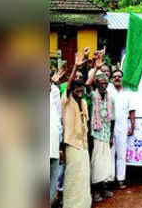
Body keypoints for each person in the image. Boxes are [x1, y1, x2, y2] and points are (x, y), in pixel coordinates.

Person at [61, 52, 92, 208]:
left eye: (81, 89)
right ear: (71, 89)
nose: (79, 91)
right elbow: (70, 83)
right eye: (76, 89)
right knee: (73, 177)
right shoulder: (66, 100)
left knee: (84, 176)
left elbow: (87, 85)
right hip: (72, 144)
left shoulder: (84, 103)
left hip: (84, 145)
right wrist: (76, 66)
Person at [86, 68, 115, 202]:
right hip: (96, 135)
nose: (103, 85)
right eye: (101, 83)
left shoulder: (110, 98)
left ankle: (103, 188)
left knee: (105, 163)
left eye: (105, 83)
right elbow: (87, 85)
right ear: (97, 84)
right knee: (96, 163)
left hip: (106, 134)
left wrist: (110, 137)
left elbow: (112, 119)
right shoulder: (93, 95)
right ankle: (95, 191)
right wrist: (96, 68)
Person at [109, 69, 136, 189]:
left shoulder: (128, 92)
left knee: (121, 154)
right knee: (110, 153)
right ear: (111, 79)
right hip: (109, 127)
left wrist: (132, 126)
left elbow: (132, 110)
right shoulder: (108, 90)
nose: (117, 78)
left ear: (122, 78)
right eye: (114, 76)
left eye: (119, 76)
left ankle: (121, 179)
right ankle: (109, 179)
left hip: (122, 126)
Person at [50, 81, 62, 208]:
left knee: (53, 182)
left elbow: (58, 124)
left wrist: (59, 145)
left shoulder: (53, 101)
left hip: (54, 147)